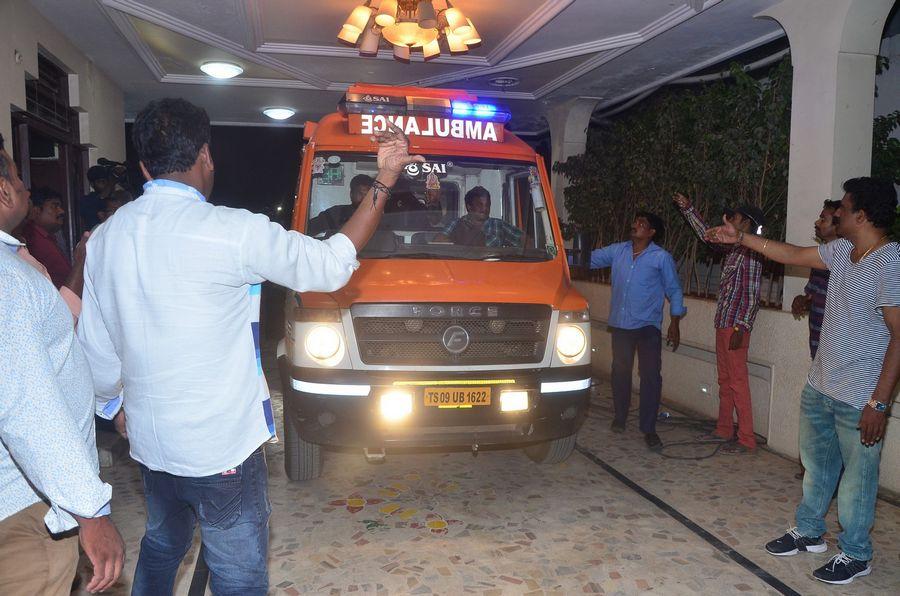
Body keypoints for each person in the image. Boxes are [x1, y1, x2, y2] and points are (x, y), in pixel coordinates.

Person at [76, 98, 422, 595]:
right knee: (237, 576)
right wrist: (386, 177)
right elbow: (330, 264)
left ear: (145, 166)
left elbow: (98, 353)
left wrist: (114, 407)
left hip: (152, 446)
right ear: (205, 157)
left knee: (161, 545)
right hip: (222, 451)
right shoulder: (233, 231)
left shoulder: (106, 239)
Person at [705, 177, 899, 585]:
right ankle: (810, 532)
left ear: (861, 215)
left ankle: (856, 554)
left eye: (844, 207)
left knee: (857, 482)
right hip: (821, 385)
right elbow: (791, 253)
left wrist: (879, 403)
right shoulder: (844, 250)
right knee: (816, 468)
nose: (837, 212)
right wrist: (741, 237)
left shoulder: (891, 261)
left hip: (859, 396)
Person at [0, 133, 124, 595]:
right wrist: (89, 510)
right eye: (15, 175)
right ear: (2, 189)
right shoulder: (6, 280)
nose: (26, 189)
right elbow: (27, 408)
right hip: (22, 504)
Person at [673, 194, 765, 453]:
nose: (729, 220)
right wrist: (688, 209)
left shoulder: (752, 253)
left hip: (735, 327)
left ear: (746, 223)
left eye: (734, 217)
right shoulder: (735, 249)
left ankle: (746, 439)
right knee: (725, 380)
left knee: (737, 382)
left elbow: (752, 295)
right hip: (724, 323)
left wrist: (742, 327)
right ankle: (724, 429)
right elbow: (707, 235)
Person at [589, 211, 686, 449]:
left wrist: (675, 322)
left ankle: (649, 428)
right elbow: (589, 259)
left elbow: (674, 290)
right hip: (621, 325)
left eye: (642, 224)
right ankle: (619, 417)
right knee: (620, 373)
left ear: (651, 232)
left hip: (647, 327)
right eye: (635, 221)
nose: (635, 225)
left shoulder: (660, 258)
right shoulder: (618, 251)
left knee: (650, 376)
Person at [791, 200, 841, 359]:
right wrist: (803, 300)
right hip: (817, 339)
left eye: (823, 219)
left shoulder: (846, 258)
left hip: (834, 344)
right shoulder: (820, 256)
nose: (816, 222)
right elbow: (814, 295)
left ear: (838, 226)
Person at [21, 186, 72, 288]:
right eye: (54, 206)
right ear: (36, 211)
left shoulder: (48, 237)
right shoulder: (30, 239)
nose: (62, 211)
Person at [440, 186, 524, 247]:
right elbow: (438, 241)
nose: (485, 208)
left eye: (487, 204)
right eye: (479, 205)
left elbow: (526, 242)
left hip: (492, 269)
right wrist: (457, 244)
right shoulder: (456, 223)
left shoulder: (498, 224)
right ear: (469, 206)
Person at [307, 173, 373, 236]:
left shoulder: (378, 217)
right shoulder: (336, 213)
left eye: (368, 195)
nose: (365, 199)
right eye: (361, 193)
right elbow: (307, 229)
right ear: (351, 194)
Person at [79, 165, 113, 231]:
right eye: (101, 182)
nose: (105, 184)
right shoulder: (86, 201)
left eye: (106, 181)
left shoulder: (114, 197)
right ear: (92, 184)